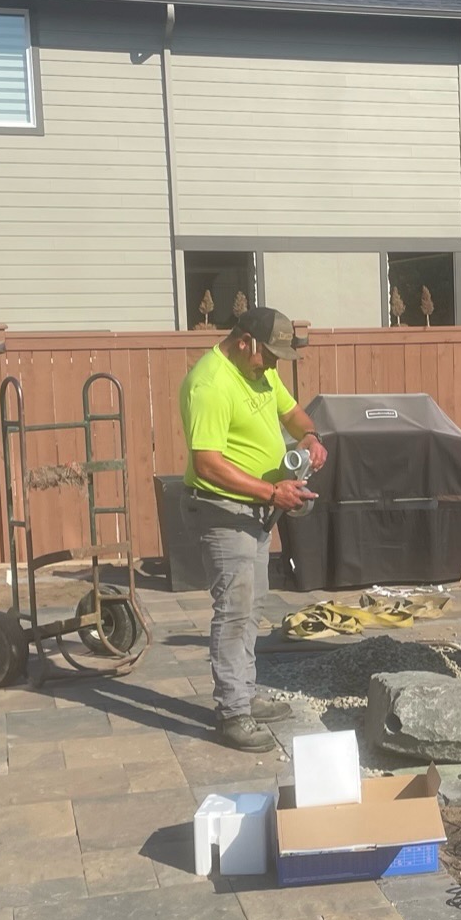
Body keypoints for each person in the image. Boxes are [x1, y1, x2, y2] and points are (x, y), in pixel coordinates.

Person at [180, 306, 326, 752]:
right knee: (234, 611)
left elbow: (295, 414)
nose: (275, 365)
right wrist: (270, 493)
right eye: (270, 355)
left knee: (251, 605)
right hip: (225, 511)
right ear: (245, 341)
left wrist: (310, 439)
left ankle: (243, 695)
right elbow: (207, 463)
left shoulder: (260, 372)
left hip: (257, 510)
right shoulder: (210, 384)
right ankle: (232, 715)